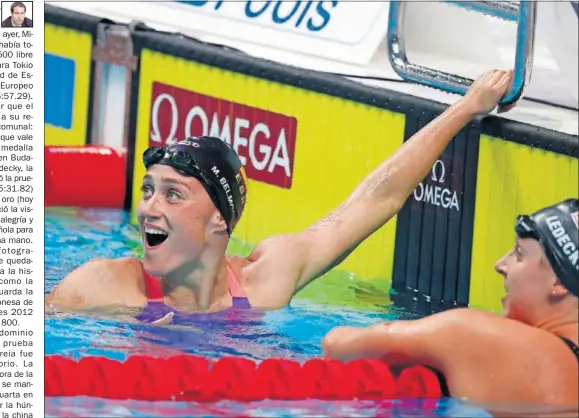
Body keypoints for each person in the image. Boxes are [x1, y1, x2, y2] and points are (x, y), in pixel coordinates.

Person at [46, 69, 514, 325]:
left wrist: (467, 107)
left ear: (219, 221)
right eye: (148, 191)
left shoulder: (265, 282)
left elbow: (375, 200)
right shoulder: (103, 286)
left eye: (173, 195)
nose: (149, 207)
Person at [321, 199, 579, 407]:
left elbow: (337, 346)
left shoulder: (475, 336)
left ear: (559, 283)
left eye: (519, 254)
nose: (500, 265)